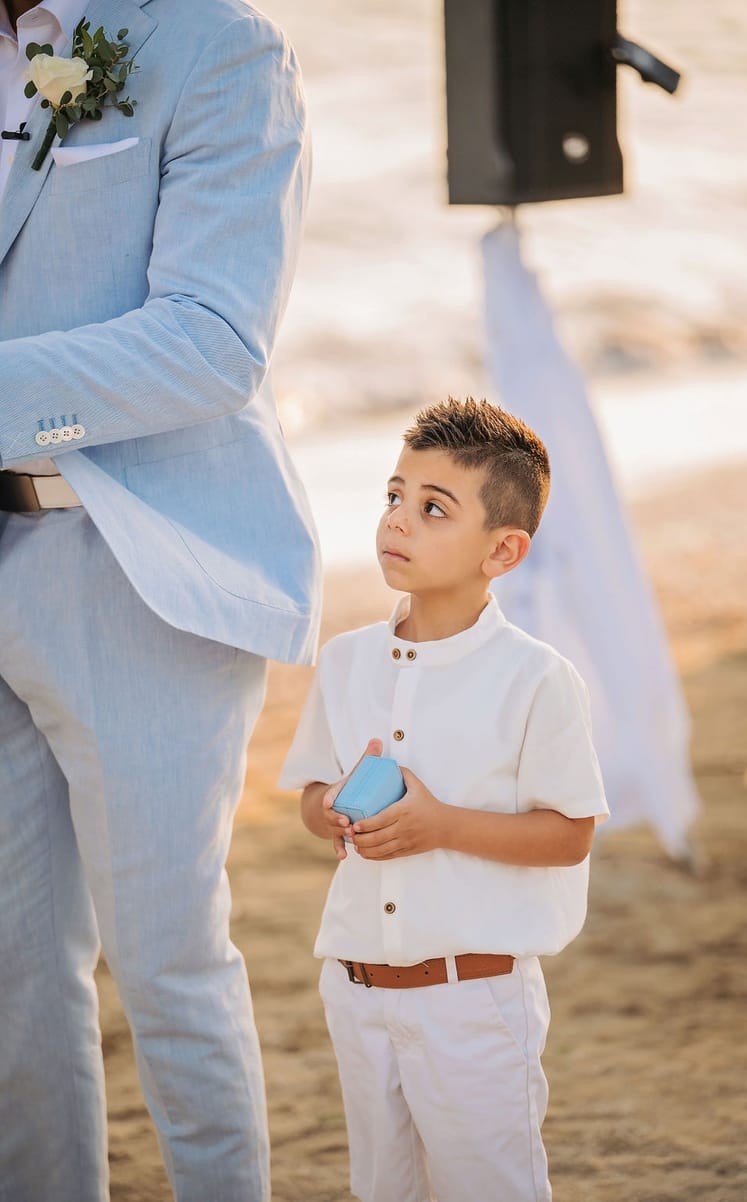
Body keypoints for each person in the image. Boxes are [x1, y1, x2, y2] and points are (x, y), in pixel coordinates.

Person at [0, 1, 319, 1199]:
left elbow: (213, 340)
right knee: (12, 976)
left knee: (167, 968)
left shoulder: (217, 42)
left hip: (135, 564)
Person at [280, 397, 609, 1202]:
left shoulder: (536, 679)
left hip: (474, 1000)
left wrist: (441, 826)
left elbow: (570, 834)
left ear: (503, 549)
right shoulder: (346, 660)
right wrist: (332, 809)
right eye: (394, 495)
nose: (398, 519)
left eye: (433, 508)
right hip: (356, 990)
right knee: (381, 1188)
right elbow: (312, 794)